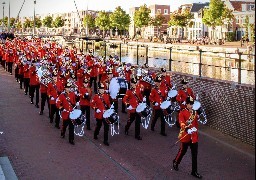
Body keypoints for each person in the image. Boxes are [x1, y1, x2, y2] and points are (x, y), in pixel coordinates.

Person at [173, 96, 202, 179]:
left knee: (194, 155)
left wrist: (195, 129)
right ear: (187, 104)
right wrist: (186, 129)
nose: (191, 106)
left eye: (192, 104)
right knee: (182, 151)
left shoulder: (194, 112)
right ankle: (176, 162)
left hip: (193, 137)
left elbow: (196, 123)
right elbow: (181, 123)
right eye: (190, 104)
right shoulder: (182, 113)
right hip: (186, 136)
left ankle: (194, 171)